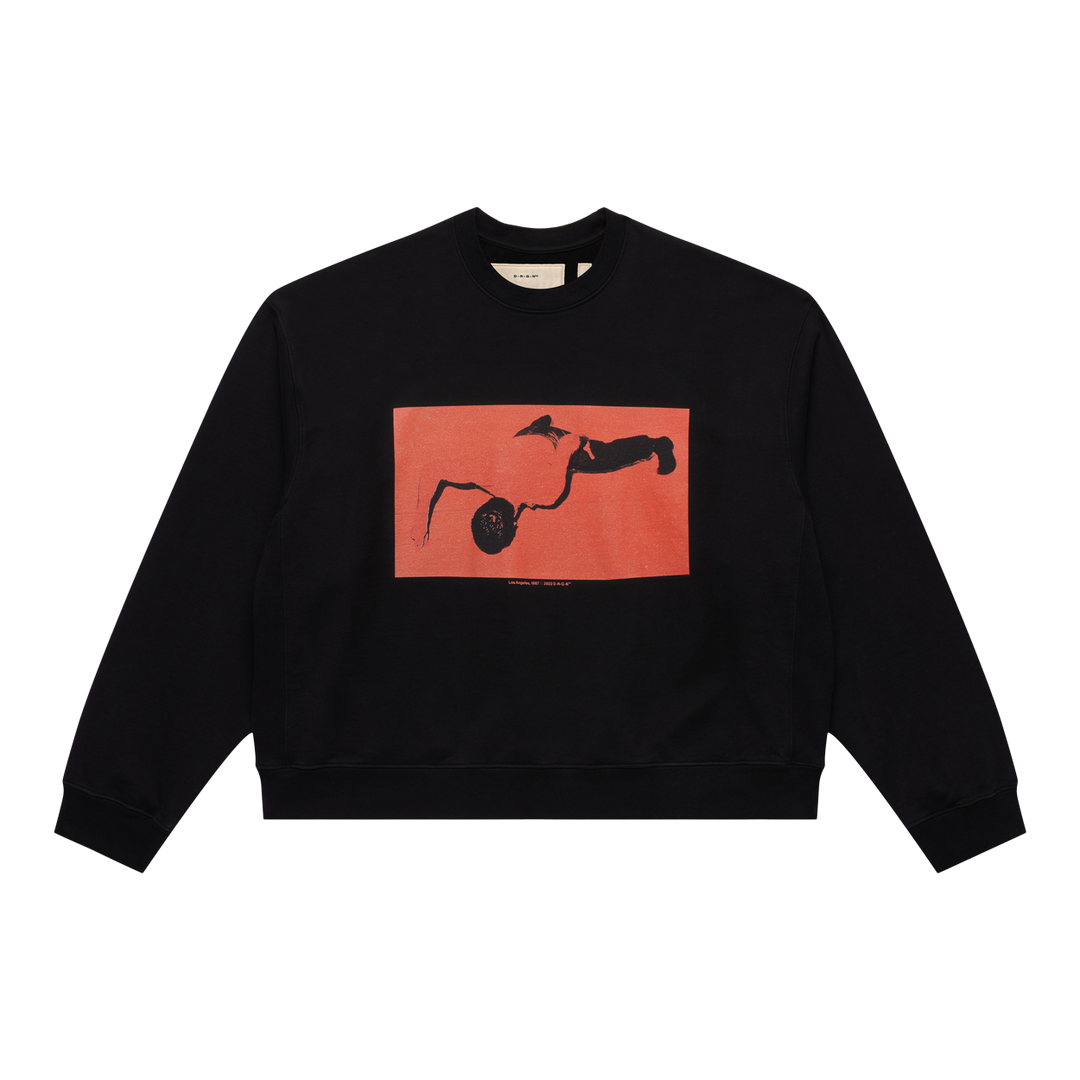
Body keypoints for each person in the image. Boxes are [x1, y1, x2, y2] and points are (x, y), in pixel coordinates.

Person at [410, 415, 677, 554]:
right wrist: (420, 520)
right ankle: (538, 424)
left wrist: (584, 443)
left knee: (605, 457)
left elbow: (569, 442)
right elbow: (431, 470)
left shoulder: (547, 494)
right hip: (524, 437)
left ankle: (657, 444)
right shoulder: (482, 472)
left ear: (515, 524)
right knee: (519, 445)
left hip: (553, 439)